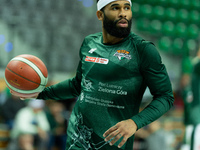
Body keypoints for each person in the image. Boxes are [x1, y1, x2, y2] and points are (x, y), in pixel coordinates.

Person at [11, 0, 174, 149]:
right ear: (100, 15)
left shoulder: (143, 50)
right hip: (77, 138)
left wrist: (134, 122)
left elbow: (165, 96)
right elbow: (77, 85)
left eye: (127, 7)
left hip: (112, 142)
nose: (123, 13)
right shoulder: (89, 42)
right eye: (115, 8)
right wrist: (40, 93)